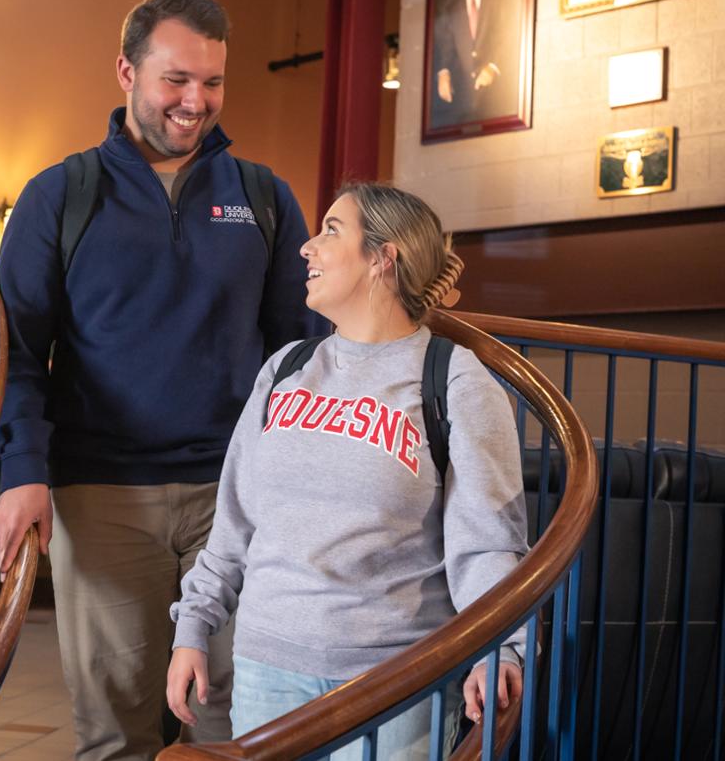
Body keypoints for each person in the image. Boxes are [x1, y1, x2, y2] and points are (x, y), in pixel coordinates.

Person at [0, 0, 323, 758]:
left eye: (212, 83)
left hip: (236, 500)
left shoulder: (263, 198)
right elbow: (14, 352)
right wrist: (23, 470)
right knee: (118, 732)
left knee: (239, 729)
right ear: (126, 71)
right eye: (176, 79)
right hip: (103, 497)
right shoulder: (59, 196)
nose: (194, 101)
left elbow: (303, 351)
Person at [166, 183, 528, 758]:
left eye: (332, 230)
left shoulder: (457, 382)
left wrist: (502, 647)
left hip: (397, 681)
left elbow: (485, 545)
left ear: (385, 257)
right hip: (267, 669)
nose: (307, 248)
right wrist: (194, 629)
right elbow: (234, 525)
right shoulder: (285, 368)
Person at [430, 0, 521, 129]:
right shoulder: (451, 6)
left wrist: (493, 67)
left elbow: (508, 34)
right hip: (461, 106)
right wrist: (444, 73)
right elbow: (446, 47)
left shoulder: (499, 1)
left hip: (497, 102)